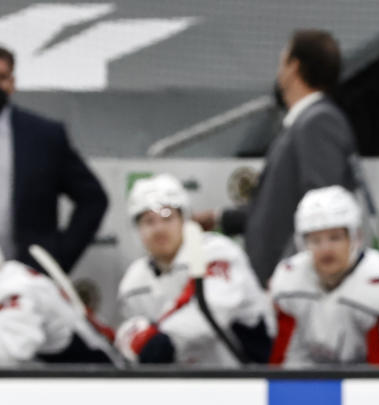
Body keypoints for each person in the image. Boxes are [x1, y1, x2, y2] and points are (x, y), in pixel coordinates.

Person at [194, 30, 358, 285]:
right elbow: (280, 207)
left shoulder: (318, 122)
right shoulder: (303, 123)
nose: (279, 71)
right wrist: (220, 218)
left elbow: (325, 211)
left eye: (282, 61)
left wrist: (291, 275)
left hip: (293, 286)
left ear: (294, 67)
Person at [116, 174, 273, 366]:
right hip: (176, 387)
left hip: (244, 380)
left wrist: (163, 341)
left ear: (184, 219)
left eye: (167, 217)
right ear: (137, 229)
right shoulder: (133, 284)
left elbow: (214, 312)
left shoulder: (217, 252)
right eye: (149, 221)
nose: (159, 229)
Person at [269, 186, 379, 367]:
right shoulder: (289, 278)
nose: (325, 249)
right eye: (315, 240)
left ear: (355, 237)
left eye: (335, 238)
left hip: (368, 387)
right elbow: (286, 363)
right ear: (302, 243)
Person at [0, 45, 107, 273]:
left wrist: (58, 257)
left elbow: (93, 198)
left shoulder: (44, 137)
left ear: (12, 82)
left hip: (30, 281)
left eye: (1, 77)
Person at [0, 247, 112, 365]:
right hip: (66, 366)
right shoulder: (11, 271)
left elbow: (12, 353)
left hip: (94, 370)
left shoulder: (14, 290)